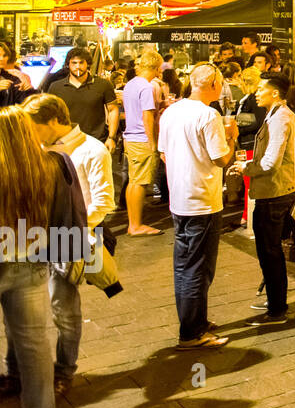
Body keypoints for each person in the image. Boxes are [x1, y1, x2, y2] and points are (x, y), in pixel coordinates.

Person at [17, 95, 113, 396]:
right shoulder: (37, 148)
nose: (30, 134)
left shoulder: (91, 151)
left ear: (54, 121)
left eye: (34, 127)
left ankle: (64, 370)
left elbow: (103, 202)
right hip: (29, 238)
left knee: (64, 309)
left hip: (65, 241)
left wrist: (71, 225)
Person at [0, 106, 87, 408]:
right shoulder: (53, 163)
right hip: (32, 263)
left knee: (30, 344)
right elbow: (69, 212)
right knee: (35, 346)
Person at [158, 63, 239, 348]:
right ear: (214, 84)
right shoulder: (208, 115)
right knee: (198, 267)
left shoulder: (171, 112)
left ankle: (195, 320)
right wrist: (231, 137)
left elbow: (164, 154)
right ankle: (191, 332)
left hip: (179, 197)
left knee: (185, 265)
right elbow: (221, 159)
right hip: (202, 199)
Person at [240, 74, 295, 324]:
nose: (256, 93)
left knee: (270, 251)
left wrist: (245, 168)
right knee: (268, 251)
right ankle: (276, 301)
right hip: (274, 192)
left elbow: (270, 162)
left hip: (275, 194)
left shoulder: (280, 119)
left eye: (261, 89)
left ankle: (277, 309)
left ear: (275, 93)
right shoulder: (276, 115)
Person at [121, 48, 164, 236]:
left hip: (130, 137)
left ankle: (133, 222)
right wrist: (153, 142)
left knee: (133, 181)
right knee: (140, 183)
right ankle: (136, 225)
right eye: (158, 68)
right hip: (141, 138)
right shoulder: (146, 87)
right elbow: (147, 116)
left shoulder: (131, 84)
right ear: (154, 66)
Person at [47, 46, 120, 149]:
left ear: (88, 64)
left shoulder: (103, 85)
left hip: (96, 142)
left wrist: (111, 137)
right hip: (65, 142)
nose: (78, 67)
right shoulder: (55, 87)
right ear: (68, 64)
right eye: (74, 63)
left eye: (81, 63)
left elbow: (113, 110)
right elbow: (49, 115)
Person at [233, 65, 267, 151]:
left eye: (239, 79)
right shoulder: (249, 98)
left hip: (251, 144)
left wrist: (240, 130)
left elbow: (259, 122)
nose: (239, 83)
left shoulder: (255, 99)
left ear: (246, 82)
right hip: (248, 142)